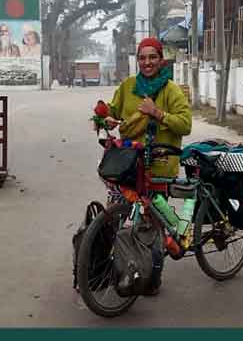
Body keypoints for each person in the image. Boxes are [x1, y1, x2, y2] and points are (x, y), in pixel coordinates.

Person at [98, 38, 192, 296]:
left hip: (159, 165)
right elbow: (114, 111)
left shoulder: (171, 91)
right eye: (143, 57)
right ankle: (115, 269)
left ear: (161, 60)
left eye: (153, 57)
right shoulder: (128, 86)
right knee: (114, 218)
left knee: (152, 226)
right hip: (128, 165)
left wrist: (158, 113)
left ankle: (152, 277)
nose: (147, 62)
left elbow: (185, 125)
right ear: (137, 60)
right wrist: (106, 118)